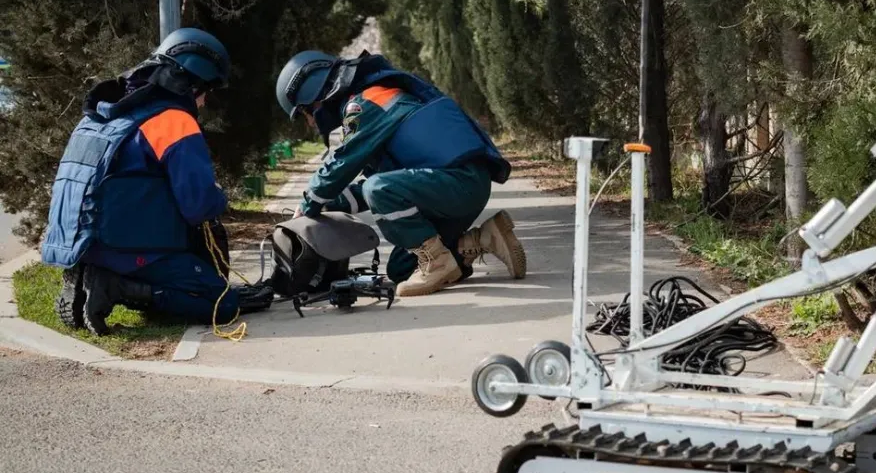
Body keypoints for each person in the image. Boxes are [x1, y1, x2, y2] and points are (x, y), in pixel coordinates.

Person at [40, 27, 271, 335]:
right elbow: (199, 207)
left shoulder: (98, 117)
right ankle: (118, 287)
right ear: (191, 84)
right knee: (223, 303)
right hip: (130, 252)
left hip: (82, 245)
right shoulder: (174, 121)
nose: (203, 103)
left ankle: (93, 275)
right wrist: (219, 196)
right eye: (206, 92)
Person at [274, 49, 526, 297]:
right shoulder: (377, 96)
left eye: (306, 113)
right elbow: (388, 185)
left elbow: (344, 164)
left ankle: (438, 263)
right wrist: (330, 204)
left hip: (458, 184)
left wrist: (309, 204)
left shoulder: (365, 102)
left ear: (315, 92)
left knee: (378, 189)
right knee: (401, 268)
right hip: (451, 185)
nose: (309, 122)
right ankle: (484, 238)